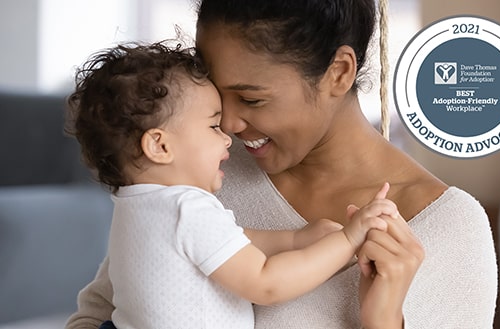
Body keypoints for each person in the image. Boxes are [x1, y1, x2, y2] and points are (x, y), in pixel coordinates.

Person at [66, 0, 498, 328]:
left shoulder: (449, 227)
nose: (231, 126)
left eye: (251, 98)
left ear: (339, 72)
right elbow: (100, 313)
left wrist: (383, 321)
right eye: (216, 98)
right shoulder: (196, 171)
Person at [64, 41, 400, 329]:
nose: (228, 137)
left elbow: (233, 239)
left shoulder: (136, 206)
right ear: (160, 146)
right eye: (212, 126)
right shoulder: (186, 207)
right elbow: (266, 282)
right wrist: (347, 239)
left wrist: (297, 238)